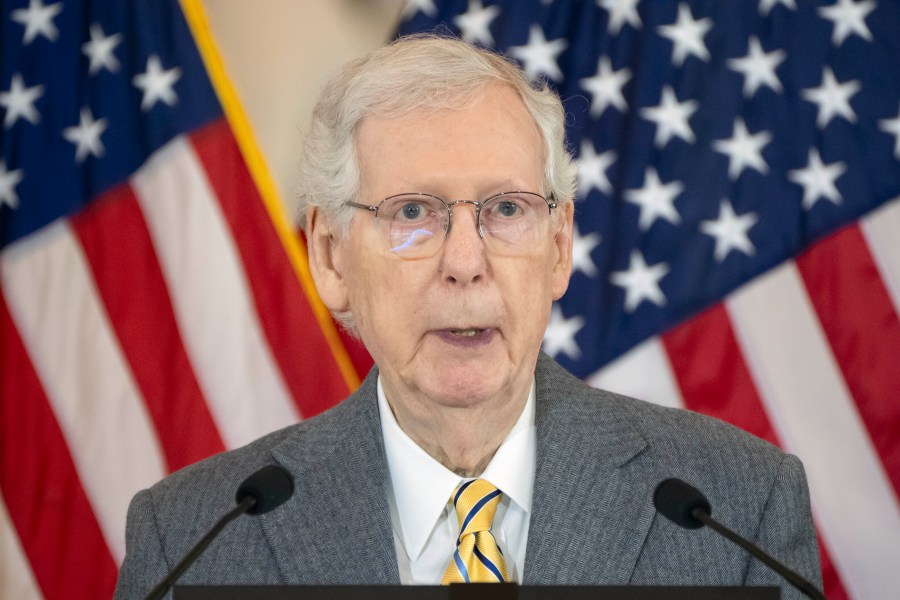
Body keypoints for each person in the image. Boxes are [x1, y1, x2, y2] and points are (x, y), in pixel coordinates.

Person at [114, 34, 822, 598]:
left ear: (558, 245)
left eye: (506, 209)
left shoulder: (736, 508)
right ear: (330, 257)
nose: (464, 261)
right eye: (412, 213)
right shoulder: (191, 541)